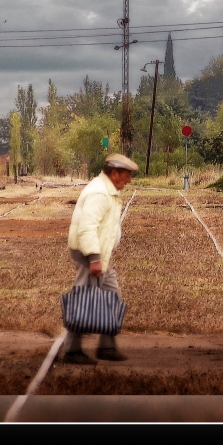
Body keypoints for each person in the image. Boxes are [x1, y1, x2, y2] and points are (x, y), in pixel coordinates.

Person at [61, 152, 139, 364]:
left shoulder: (108, 190)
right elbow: (87, 227)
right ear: (114, 173)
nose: (129, 180)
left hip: (102, 253)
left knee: (113, 296)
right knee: (83, 301)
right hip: (90, 254)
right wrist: (94, 258)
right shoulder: (99, 193)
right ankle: (71, 350)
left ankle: (106, 346)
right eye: (127, 175)